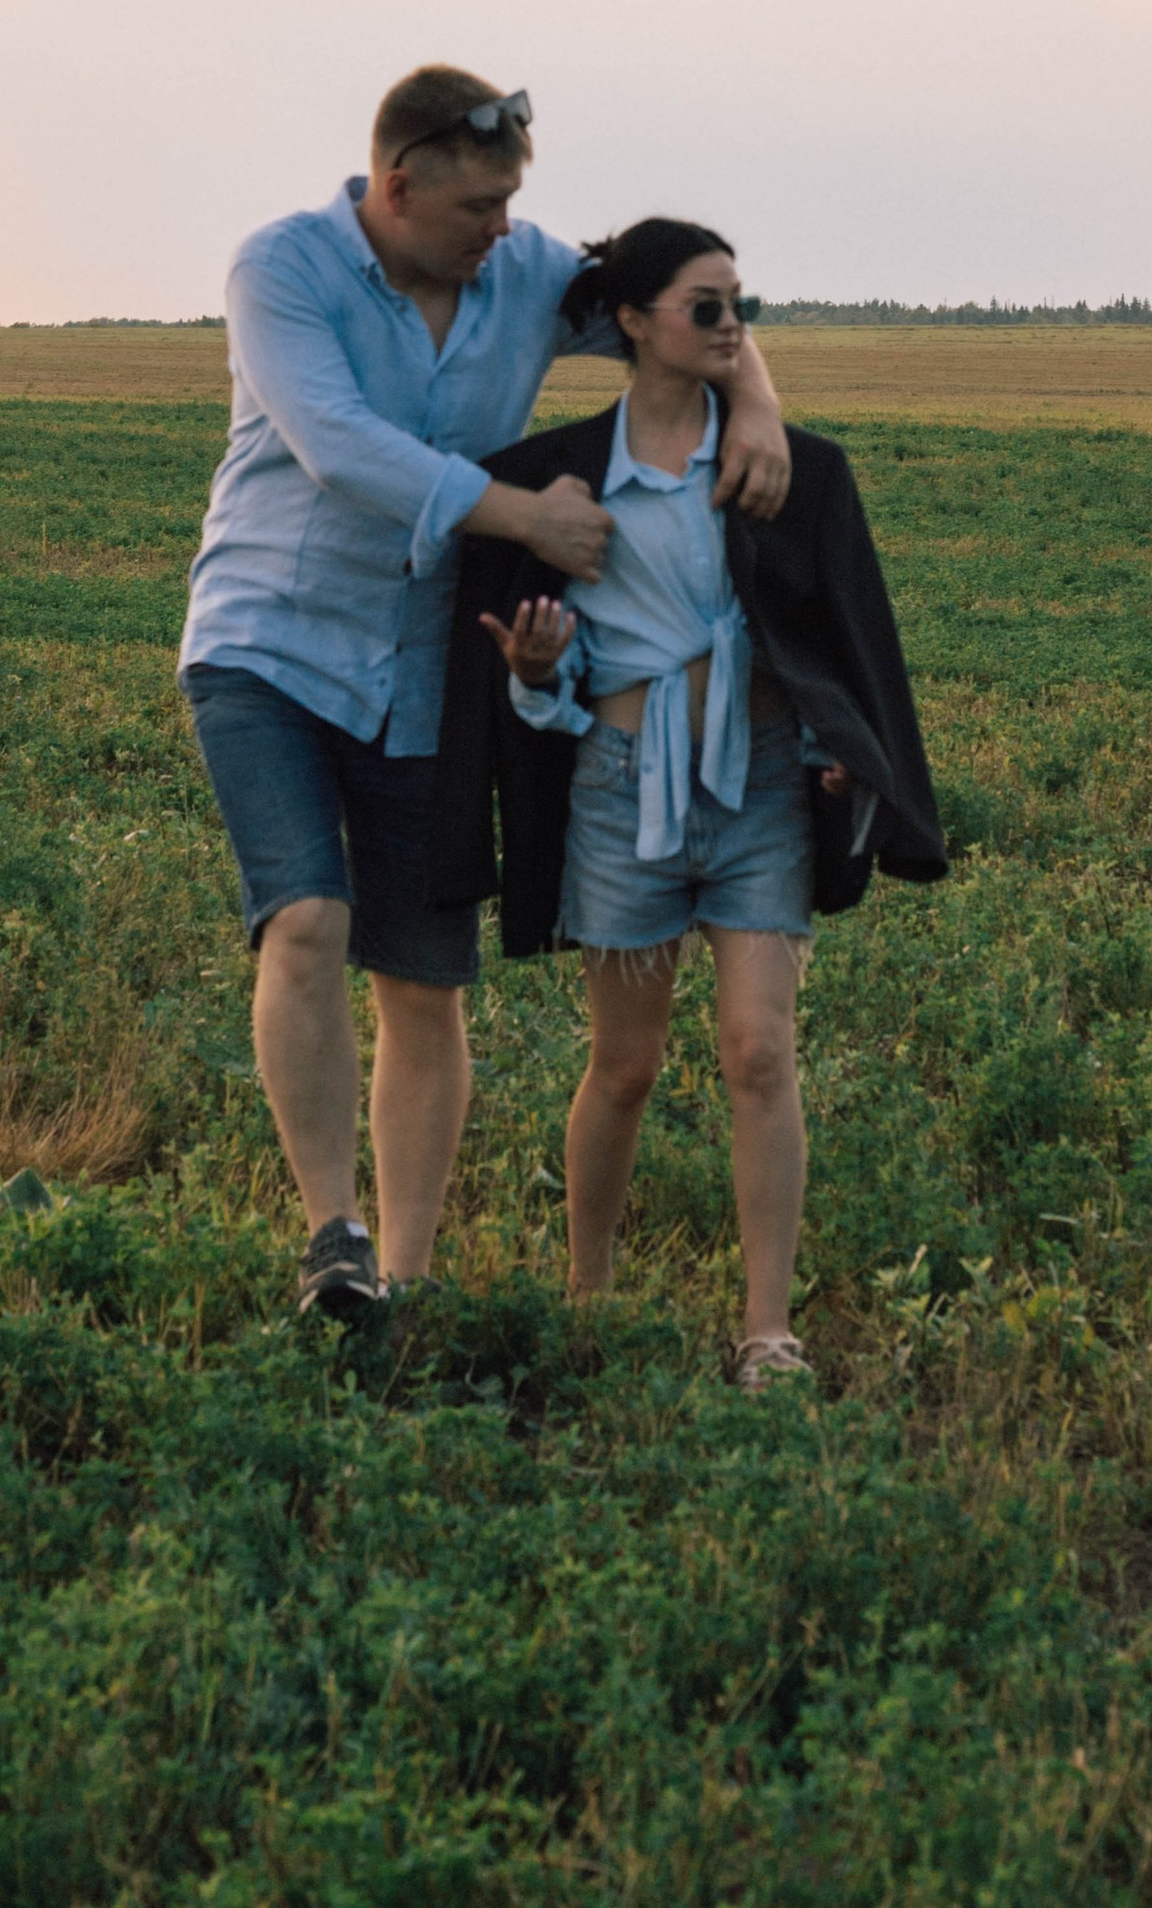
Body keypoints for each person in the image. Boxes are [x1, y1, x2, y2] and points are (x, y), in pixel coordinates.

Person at [177, 77, 793, 1323]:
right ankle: (331, 1237)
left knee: (423, 976)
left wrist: (758, 399)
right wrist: (525, 517)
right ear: (398, 187)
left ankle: (399, 1279)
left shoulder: (519, 269)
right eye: (481, 204)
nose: (507, 230)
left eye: (515, 200)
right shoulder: (281, 270)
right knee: (306, 920)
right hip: (269, 641)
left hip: (422, 667)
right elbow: (340, 444)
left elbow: (671, 291)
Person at [434, 219, 945, 1388]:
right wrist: (534, 671)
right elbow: (529, 677)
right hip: (619, 794)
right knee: (624, 1068)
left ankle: (768, 1329)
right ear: (631, 320)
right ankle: (590, 1298)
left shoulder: (789, 470)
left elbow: (838, 640)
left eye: (740, 307)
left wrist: (835, 750)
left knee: (760, 1051)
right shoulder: (550, 479)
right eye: (706, 307)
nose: (730, 327)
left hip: (759, 786)